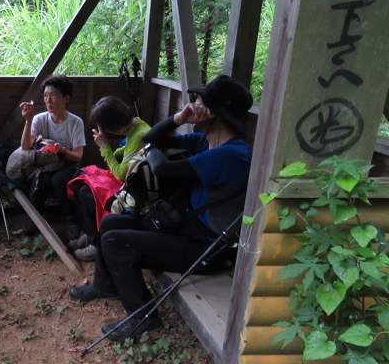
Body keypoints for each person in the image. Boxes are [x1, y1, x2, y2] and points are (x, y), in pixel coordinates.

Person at [69, 75, 253, 341]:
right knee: (110, 222)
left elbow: (162, 167)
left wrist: (151, 148)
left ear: (213, 112)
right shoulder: (205, 141)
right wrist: (178, 119)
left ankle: (142, 317)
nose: (193, 104)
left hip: (204, 246)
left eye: (199, 101)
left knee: (117, 242)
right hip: (182, 226)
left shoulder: (231, 154)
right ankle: (104, 285)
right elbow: (151, 137)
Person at [66, 97, 150, 262]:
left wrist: (104, 147)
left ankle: (96, 244)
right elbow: (126, 153)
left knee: (86, 193)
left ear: (113, 127)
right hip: (132, 182)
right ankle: (90, 234)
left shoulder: (139, 134)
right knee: (80, 184)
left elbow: (120, 173)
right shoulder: (137, 125)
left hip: (135, 191)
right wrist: (112, 151)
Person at [18, 74, 86, 236]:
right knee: (42, 178)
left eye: (53, 95)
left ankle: (72, 221)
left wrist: (61, 150)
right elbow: (25, 146)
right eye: (46, 95)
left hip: (66, 163)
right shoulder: (39, 119)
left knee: (59, 179)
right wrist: (28, 121)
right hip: (44, 164)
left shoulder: (76, 122)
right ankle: (34, 220)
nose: (48, 100)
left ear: (66, 98)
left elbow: (78, 156)